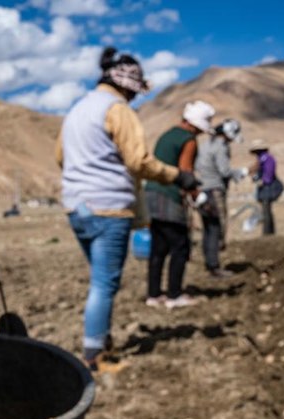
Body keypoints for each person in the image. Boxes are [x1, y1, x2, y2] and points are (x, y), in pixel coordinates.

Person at [56, 46, 199, 370]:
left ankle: (101, 342)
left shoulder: (78, 109)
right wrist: (178, 176)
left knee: (99, 279)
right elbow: (138, 160)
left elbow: (61, 157)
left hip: (76, 205)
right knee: (105, 284)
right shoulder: (117, 109)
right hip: (109, 206)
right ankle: (94, 355)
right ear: (127, 85)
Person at [144, 100, 215, 308]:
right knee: (180, 246)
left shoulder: (167, 135)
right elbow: (185, 173)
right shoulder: (189, 140)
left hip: (151, 194)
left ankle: (154, 294)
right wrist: (197, 196)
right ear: (196, 125)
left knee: (158, 248)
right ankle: (175, 295)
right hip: (169, 197)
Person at [195, 118, 248, 277]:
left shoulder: (206, 144)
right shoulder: (220, 147)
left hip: (202, 190)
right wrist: (241, 172)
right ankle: (214, 266)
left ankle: (209, 262)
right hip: (215, 190)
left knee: (207, 226)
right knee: (216, 227)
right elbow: (224, 171)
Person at [249, 139, 280, 235]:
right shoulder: (261, 159)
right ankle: (269, 232)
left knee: (266, 210)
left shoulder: (267, 159)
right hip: (264, 187)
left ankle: (267, 232)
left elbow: (269, 173)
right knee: (266, 210)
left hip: (268, 187)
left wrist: (263, 181)